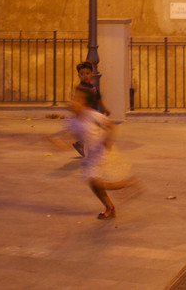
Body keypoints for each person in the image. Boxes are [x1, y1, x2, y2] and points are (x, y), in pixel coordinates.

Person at [56, 85, 136, 219]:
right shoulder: (72, 121)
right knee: (94, 183)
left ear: (85, 104)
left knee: (96, 182)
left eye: (78, 100)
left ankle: (126, 185)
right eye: (74, 98)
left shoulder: (91, 115)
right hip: (91, 154)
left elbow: (111, 126)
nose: (74, 102)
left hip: (101, 150)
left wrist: (108, 141)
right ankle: (111, 206)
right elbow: (68, 141)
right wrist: (55, 143)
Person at [72, 61, 110, 156]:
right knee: (91, 132)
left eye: (87, 73)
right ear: (79, 75)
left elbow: (99, 99)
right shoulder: (80, 88)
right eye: (82, 74)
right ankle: (92, 152)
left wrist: (104, 109)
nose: (85, 76)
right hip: (86, 115)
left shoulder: (93, 87)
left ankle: (81, 144)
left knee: (94, 131)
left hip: (94, 113)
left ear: (92, 74)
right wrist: (77, 115)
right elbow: (77, 102)